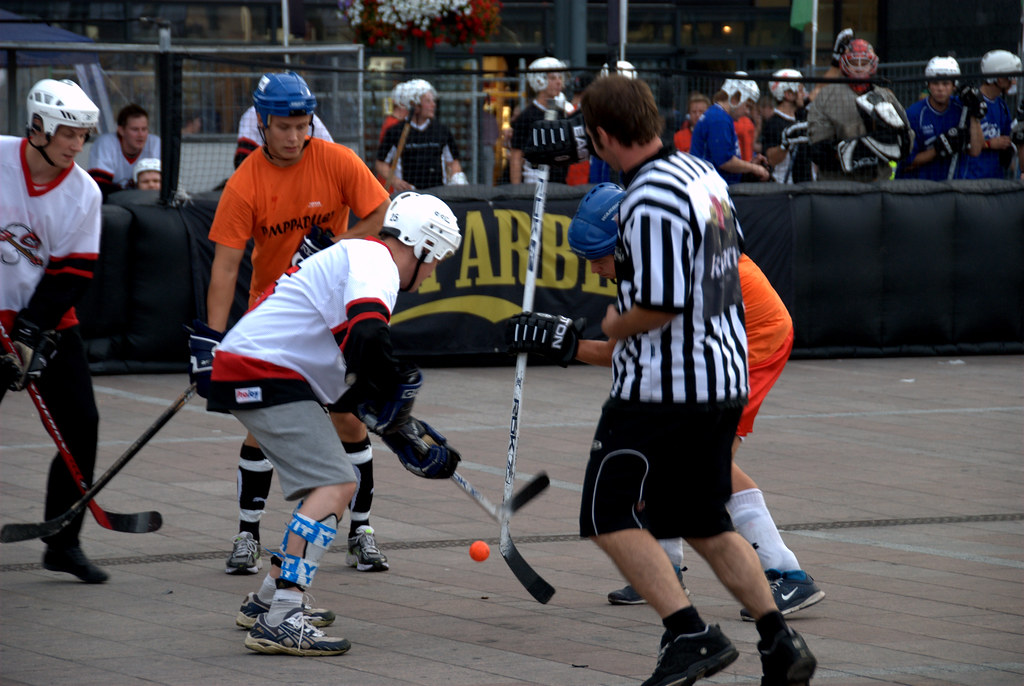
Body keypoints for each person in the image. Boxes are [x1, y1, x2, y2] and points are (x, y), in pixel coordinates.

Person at [525, 73, 818, 686]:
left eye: (590, 137)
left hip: (665, 388)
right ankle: (778, 640)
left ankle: (688, 634)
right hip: (721, 375)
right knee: (704, 518)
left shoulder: (647, 198)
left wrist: (614, 321)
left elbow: (659, 305)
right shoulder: (702, 175)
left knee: (606, 512)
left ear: (603, 135)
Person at [507, 182, 826, 621]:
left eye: (599, 257)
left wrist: (564, 345)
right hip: (716, 343)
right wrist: (565, 343)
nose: (596, 270)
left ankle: (788, 574)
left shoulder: (663, 273)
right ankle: (667, 569)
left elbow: (621, 352)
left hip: (754, 341)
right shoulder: (649, 256)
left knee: (706, 463)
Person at [199, 191, 463, 656]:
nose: (433, 270)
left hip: (260, 368)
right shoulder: (376, 263)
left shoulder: (360, 257)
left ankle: (267, 601)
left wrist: (398, 426)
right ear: (422, 246)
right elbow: (368, 334)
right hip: (263, 371)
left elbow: (349, 369)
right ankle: (283, 616)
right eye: (436, 259)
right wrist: (394, 400)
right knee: (336, 484)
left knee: (330, 484)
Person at [191, 72, 391, 579]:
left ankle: (361, 531)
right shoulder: (246, 182)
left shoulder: (337, 160)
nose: (295, 137)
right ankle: (247, 534)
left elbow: (380, 211)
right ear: (262, 124)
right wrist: (211, 341)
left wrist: (338, 245)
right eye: (284, 127)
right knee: (264, 425)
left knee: (348, 419)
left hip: (334, 312)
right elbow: (225, 268)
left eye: (303, 126)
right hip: (275, 316)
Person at [0, 79, 108, 583]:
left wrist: (29, 331)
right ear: (39, 127)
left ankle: (63, 541)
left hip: (46, 323)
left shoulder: (84, 191)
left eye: (83, 135)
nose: (76, 145)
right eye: (68, 133)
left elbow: (74, 271)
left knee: (82, 424)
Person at [807, 38, 912, 182]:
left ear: (872, 65)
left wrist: (884, 144)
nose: (859, 68)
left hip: (878, 182)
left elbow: (906, 140)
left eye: (864, 63)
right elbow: (817, 148)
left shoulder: (885, 96)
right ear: (845, 64)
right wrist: (855, 151)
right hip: (838, 183)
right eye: (854, 63)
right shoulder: (826, 96)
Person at [897, 57, 984, 181]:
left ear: (954, 86)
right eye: (935, 83)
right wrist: (938, 149)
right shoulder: (914, 114)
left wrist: (974, 114)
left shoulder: (962, 108)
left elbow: (975, 151)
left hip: (953, 185)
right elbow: (906, 164)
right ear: (928, 85)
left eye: (945, 83)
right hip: (922, 186)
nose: (940, 89)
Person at [375, 79, 467, 192]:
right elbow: (381, 163)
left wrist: (457, 178)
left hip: (438, 194)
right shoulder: (396, 132)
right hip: (408, 195)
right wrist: (395, 181)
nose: (433, 105)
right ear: (414, 105)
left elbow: (453, 162)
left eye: (433, 101)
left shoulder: (442, 131)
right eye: (428, 101)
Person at [690, 74, 770, 184]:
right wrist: (754, 168)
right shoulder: (719, 119)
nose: (747, 112)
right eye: (747, 106)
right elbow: (725, 161)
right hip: (711, 186)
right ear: (735, 98)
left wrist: (750, 165)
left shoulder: (720, 116)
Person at [510, 57, 573, 185]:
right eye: (552, 78)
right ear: (539, 80)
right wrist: (516, 190)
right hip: (534, 184)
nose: (559, 82)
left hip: (559, 184)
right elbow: (516, 156)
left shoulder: (561, 113)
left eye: (560, 77)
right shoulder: (527, 117)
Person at [961, 49, 1021, 180]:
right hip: (971, 179)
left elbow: (1007, 138)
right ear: (999, 79)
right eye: (1011, 77)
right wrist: (988, 144)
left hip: (995, 179)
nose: (1014, 82)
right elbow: (963, 141)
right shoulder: (970, 101)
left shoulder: (1001, 105)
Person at [87, 103, 161, 196]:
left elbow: (163, 184)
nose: (141, 135)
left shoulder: (155, 143)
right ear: (121, 130)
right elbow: (99, 186)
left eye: (144, 129)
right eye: (135, 129)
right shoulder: (105, 143)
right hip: (113, 202)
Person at [234, 104, 333, 169]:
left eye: (301, 127)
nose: (293, 138)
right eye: (283, 127)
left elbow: (331, 162)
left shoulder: (309, 117)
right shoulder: (252, 115)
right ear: (261, 120)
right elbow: (242, 162)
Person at [761, 69, 815, 183]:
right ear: (788, 95)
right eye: (800, 90)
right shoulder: (773, 123)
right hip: (786, 186)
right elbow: (770, 159)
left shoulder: (801, 115)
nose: (804, 94)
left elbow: (818, 90)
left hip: (807, 184)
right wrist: (785, 144)